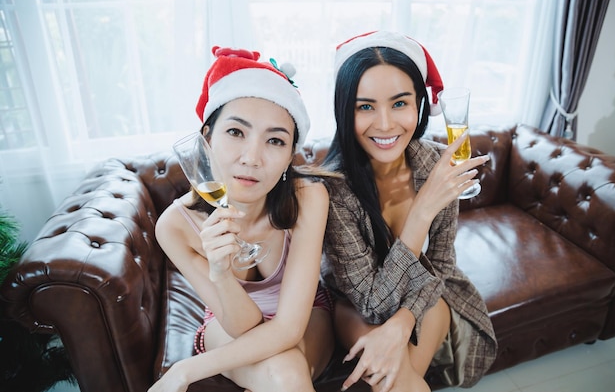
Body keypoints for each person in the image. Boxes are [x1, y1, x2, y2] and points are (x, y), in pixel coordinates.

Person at [149, 46, 334, 392]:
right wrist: (220, 273)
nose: (252, 158)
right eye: (236, 132)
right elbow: (243, 325)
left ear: (289, 156)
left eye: (275, 141)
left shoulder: (309, 197)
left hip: (306, 317)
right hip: (227, 322)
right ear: (207, 138)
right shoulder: (175, 226)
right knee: (284, 373)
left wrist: (184, 371)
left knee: (286, 369)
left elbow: (288, 330)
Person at [321, 31, 497, 392]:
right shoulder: (333, 188)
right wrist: (421, 213)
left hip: (428, 295)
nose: (385, 124)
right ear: (344, 110)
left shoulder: (436, 163)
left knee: (401, 382)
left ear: (419, 104)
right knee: (398, 382)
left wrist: (404, 321)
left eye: (400, 103)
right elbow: (371, 303)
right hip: (356, 305)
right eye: (365, 106)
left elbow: (442, 265)